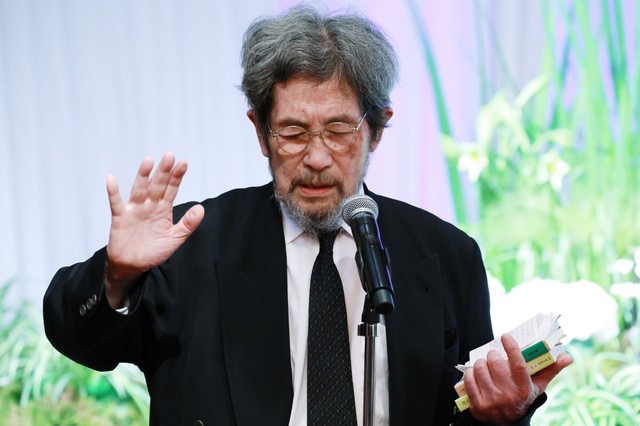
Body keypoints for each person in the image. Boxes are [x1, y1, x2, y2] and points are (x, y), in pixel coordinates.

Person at [43, 4, 572, 426]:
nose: (316, 158)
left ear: (376, 130)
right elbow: (77, 338)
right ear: (260, 133)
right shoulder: (191, 244)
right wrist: (116, 276)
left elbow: (470, 411)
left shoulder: (446, 255)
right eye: (293, 132)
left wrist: (502, 415)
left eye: (339, 131)